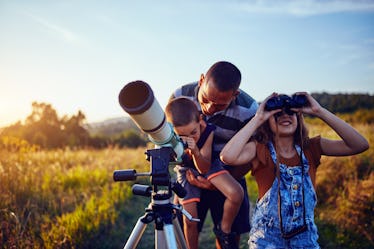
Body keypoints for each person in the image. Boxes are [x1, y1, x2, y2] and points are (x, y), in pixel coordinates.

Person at [219, 92, 369, 248]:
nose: (285, 116)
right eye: (277, 114)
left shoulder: (311, 148)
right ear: (267, 122)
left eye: (291, 112)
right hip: (266, 239)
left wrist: (319, 111)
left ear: (299, 117)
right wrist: (258, 118)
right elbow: (227, 156)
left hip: (305, 238)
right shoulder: (260, 149)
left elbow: (359, 145)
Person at [169, 61, 258, 249]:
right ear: (201, 80)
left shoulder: (249, 111)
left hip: (226, 172)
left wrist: (218, 182)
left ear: (235, 95)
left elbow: (254, 153)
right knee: (185, 229)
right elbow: (170, 138)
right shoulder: (180, 96)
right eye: (205, 99)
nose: (209, 108)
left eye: (219, 105)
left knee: (229, 238)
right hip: (189, 172)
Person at [165, 97, 244, 249]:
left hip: (207, 164)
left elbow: (204, 168)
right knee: (190, 220)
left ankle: (224, 229)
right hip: (186, 171)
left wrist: (195, 151)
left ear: (200, 120)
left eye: (193, 132)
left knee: (236, 193)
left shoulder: (207, 131)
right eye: (183, 136)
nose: (190, 138)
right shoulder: (170, 137)